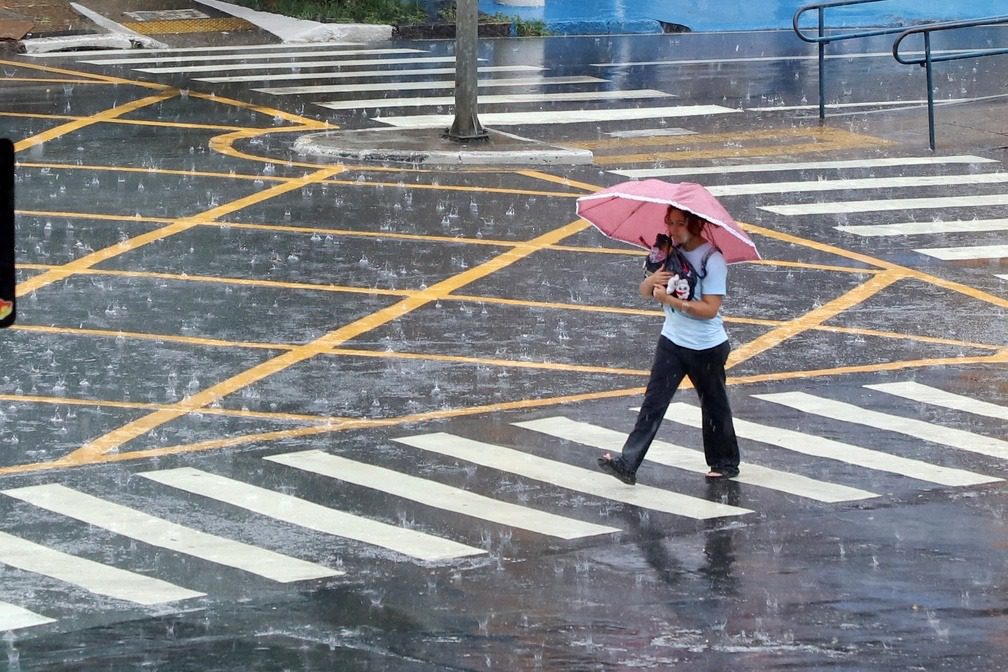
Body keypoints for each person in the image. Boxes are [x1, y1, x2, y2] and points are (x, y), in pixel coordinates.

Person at [597, 205, 740, 484]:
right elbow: (644, 292)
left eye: (679, 224)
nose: (672, 230)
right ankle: (628, 463)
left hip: (706, 347)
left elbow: (710, 308)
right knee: (653, 403)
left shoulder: (712, 260)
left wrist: (671, 301)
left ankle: (725, 463)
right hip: (672, 341)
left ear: (695, 224)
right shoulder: (666, 253)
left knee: (714, 406)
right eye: (669, 222)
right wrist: (651, 280)